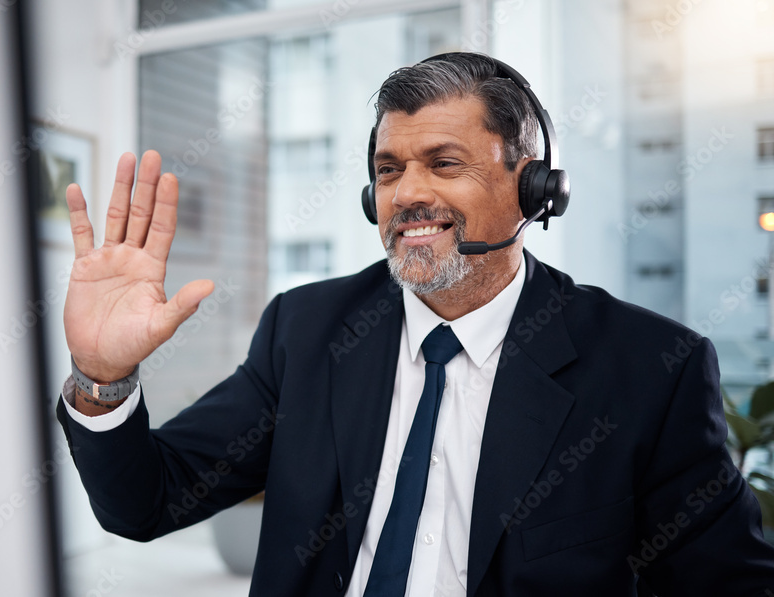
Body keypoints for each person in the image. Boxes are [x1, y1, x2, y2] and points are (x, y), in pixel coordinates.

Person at [55, 52, 774, 596]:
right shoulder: (306, 328)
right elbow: (148, 499)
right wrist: (103, 377)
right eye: (390, 169)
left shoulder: (651, 366)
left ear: (533, 187)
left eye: (444, 163)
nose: (410, 194)